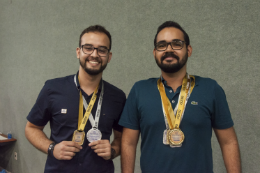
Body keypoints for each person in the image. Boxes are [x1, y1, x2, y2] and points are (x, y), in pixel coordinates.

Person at [119, 21, 241, 173]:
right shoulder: (139, 90)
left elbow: (228, 142)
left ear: (188, 50)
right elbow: (128, 143)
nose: (168, 49)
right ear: (154, 52)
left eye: (176, 44)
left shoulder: (210, 88)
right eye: (161, 45)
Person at [25, 25, 126, 173]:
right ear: (78, 52)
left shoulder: (117, 97)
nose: (95, 54)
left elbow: (122, 138)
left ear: (109, 57)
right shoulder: (52, 88)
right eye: (88, 48)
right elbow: (31, 128)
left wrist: (113, 150)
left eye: (102, 50)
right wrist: (52, 148)